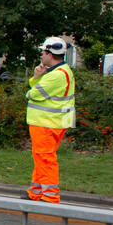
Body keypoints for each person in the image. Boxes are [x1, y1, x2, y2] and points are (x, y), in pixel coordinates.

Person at [24, 36, 76, 204]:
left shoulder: (54, 76)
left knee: (45, 158)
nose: (41, 56)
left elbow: (32, 94)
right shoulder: (62, 71)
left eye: (43, 53)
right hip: (52, 122)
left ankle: (50, 195)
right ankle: (36, 192)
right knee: (41, 157)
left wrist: (36, 77)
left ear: (49, 54)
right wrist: (38, 78)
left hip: (46, 123)